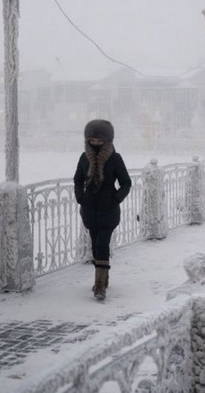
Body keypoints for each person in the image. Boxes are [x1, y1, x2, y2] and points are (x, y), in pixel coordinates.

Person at [73, 120, 131, 300]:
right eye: (93, 140)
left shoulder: (115, 158)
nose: (96, 144)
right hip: (89, 211)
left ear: (107, 140)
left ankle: (99, 286)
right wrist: (80, 197)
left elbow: (126, 183)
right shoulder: (84, 158)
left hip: (108, 211)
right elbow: (77, 180)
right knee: (95, 246)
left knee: (101, 244)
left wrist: (115, 199)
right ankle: (104, 277)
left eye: (100, 141)